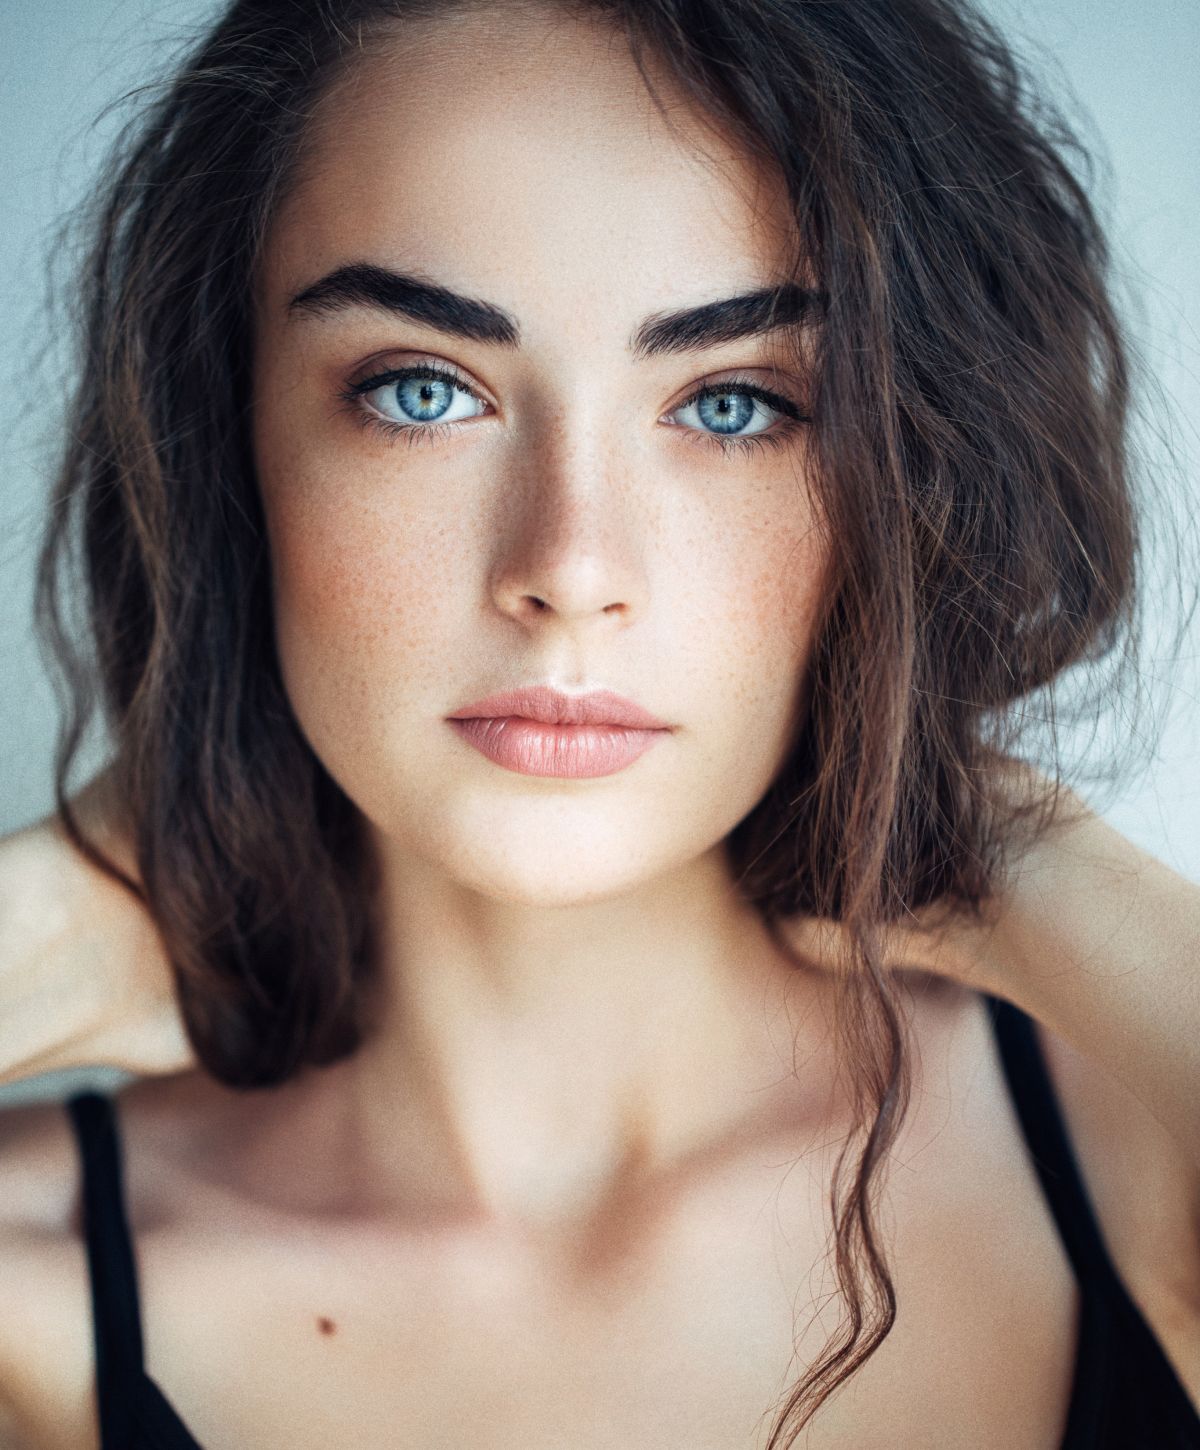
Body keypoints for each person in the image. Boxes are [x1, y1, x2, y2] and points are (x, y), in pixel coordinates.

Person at [0, 0, 1197, 1446]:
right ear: (231, 446)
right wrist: (41, 927)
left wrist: (1048, 877)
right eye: (423, 389)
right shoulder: (37, 1291)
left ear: (905, 472)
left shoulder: (1139, 1155)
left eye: (738, 405)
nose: (569, 569)